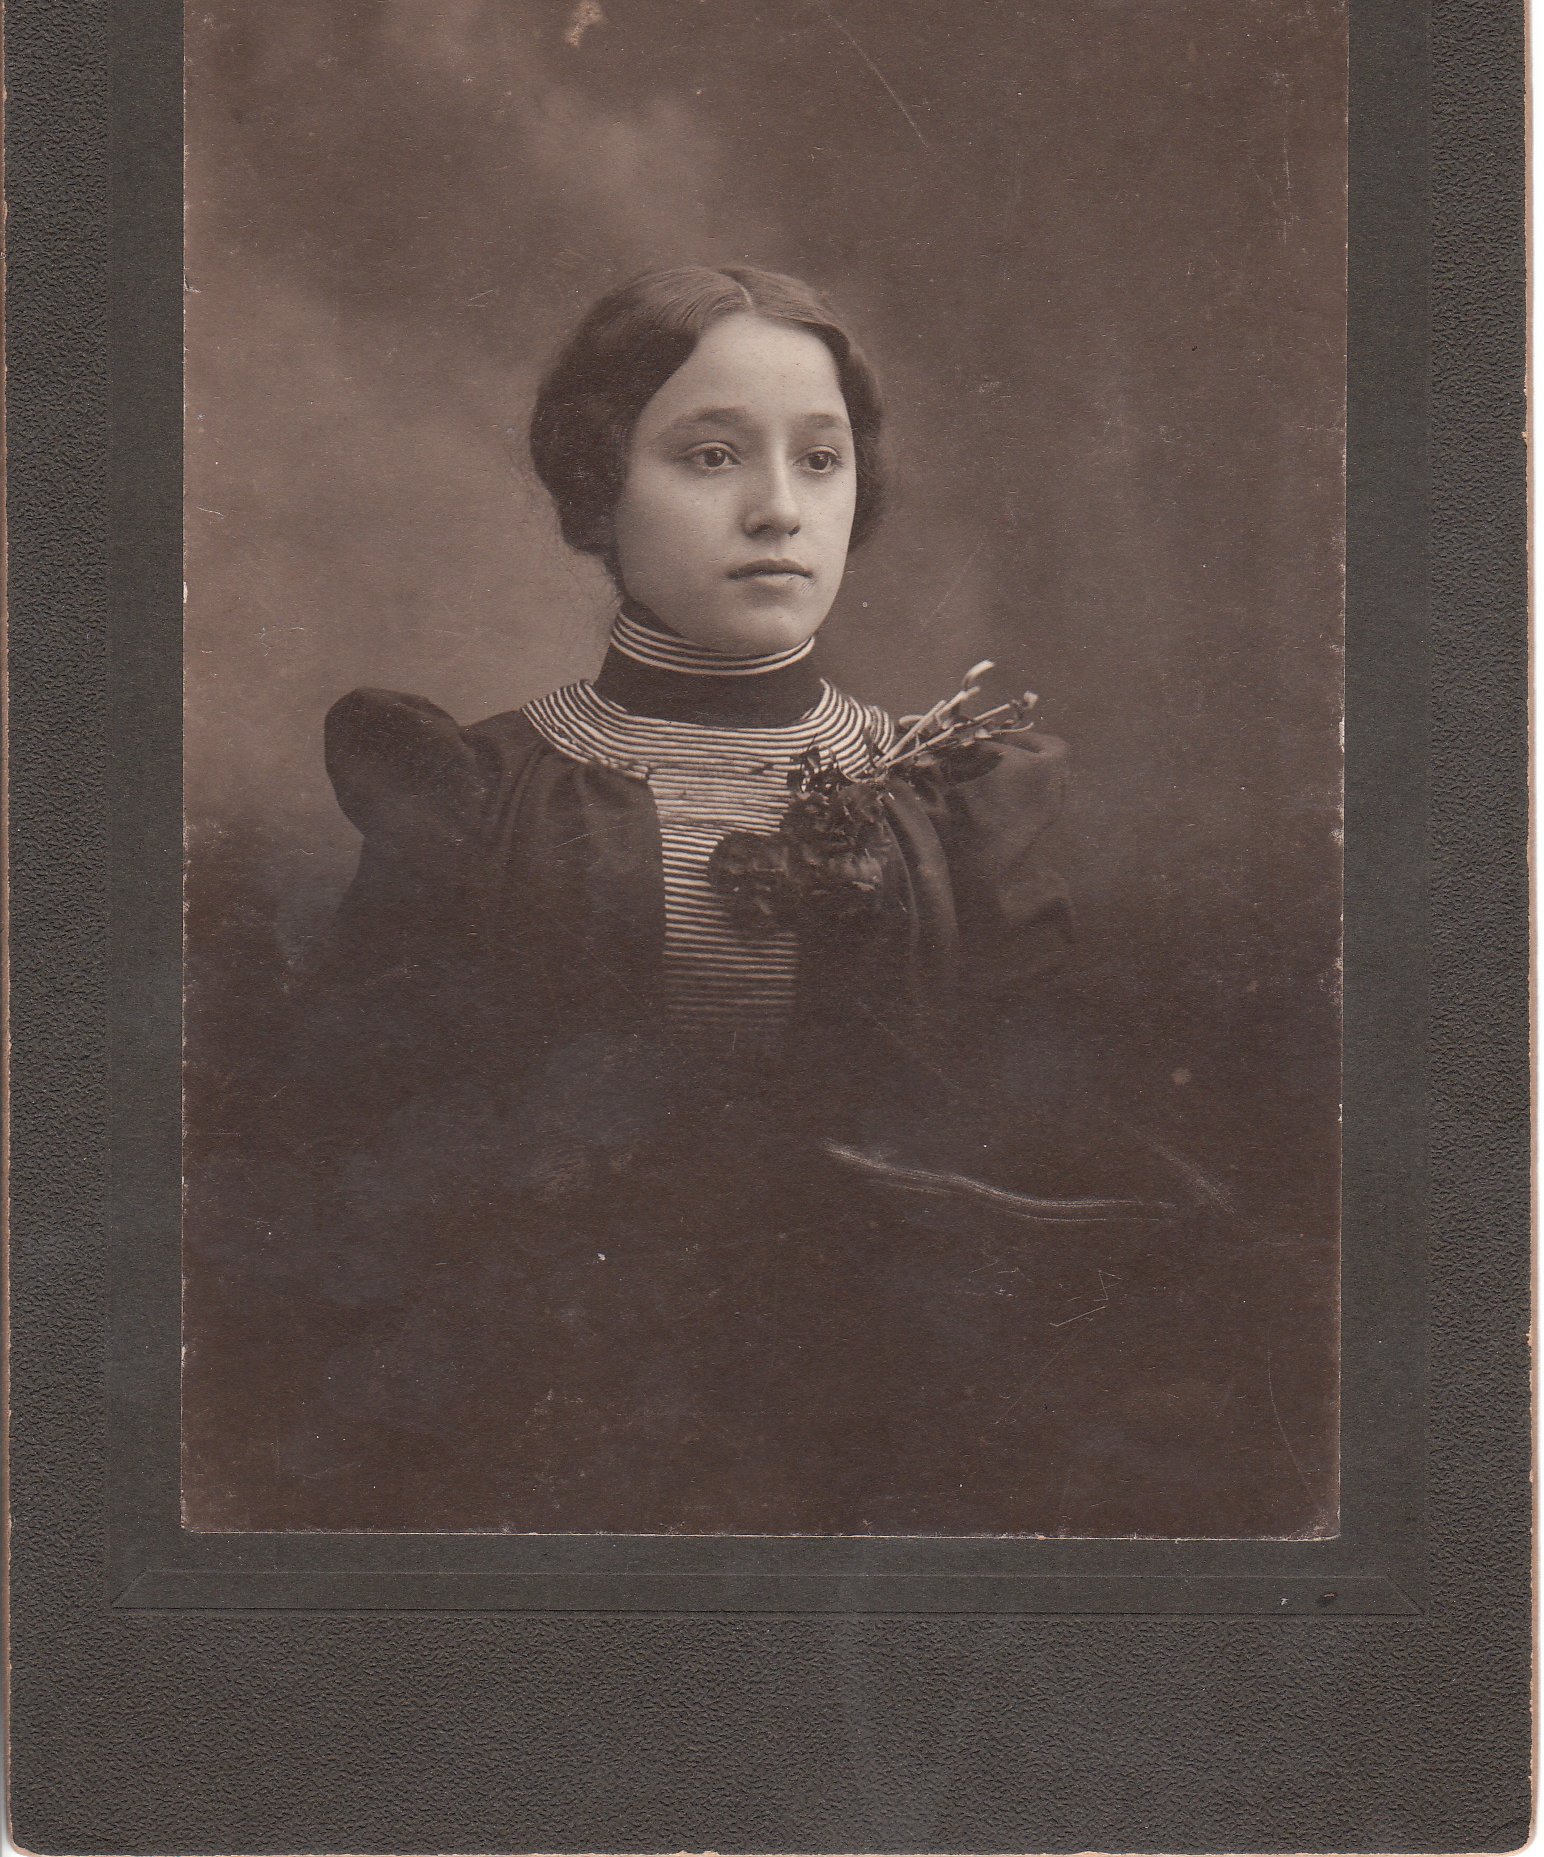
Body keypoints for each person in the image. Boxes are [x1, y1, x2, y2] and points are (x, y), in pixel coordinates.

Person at [262, 266, 1288, 1536]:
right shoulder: (476, 793)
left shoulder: (955, 799)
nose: (777, 510)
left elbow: (1029, 1128)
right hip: (553, 1403)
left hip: (885, 1416)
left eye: (819, 459)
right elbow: (368, 1146)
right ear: (596, 484)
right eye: (708, 456)